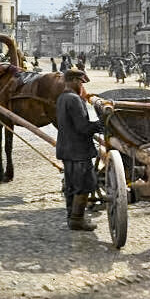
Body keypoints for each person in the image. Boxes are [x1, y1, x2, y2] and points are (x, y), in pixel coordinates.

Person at [55, 68, 103, 231]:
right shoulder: (74, 100)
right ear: (75, 81)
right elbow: (83, 127)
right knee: (85, 184)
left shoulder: (62, 98)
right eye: (81, 83)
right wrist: (100, 125)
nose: (83, 86)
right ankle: (77, 220)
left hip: (66, 149)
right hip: (78, 150)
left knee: (71, 184)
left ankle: (71, 216)